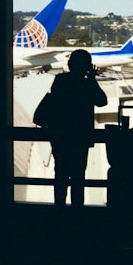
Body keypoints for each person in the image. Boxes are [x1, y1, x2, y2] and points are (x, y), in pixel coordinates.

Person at [39, 49, 107, 207]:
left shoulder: (60, 81)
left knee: (61, 175)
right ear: (88, 66)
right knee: (78, 177)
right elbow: (102, 101)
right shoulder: (86, 85)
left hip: (60, 135)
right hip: (81, 137)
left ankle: (59, 209)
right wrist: (92, 79)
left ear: (70, 65)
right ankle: (77, 212)